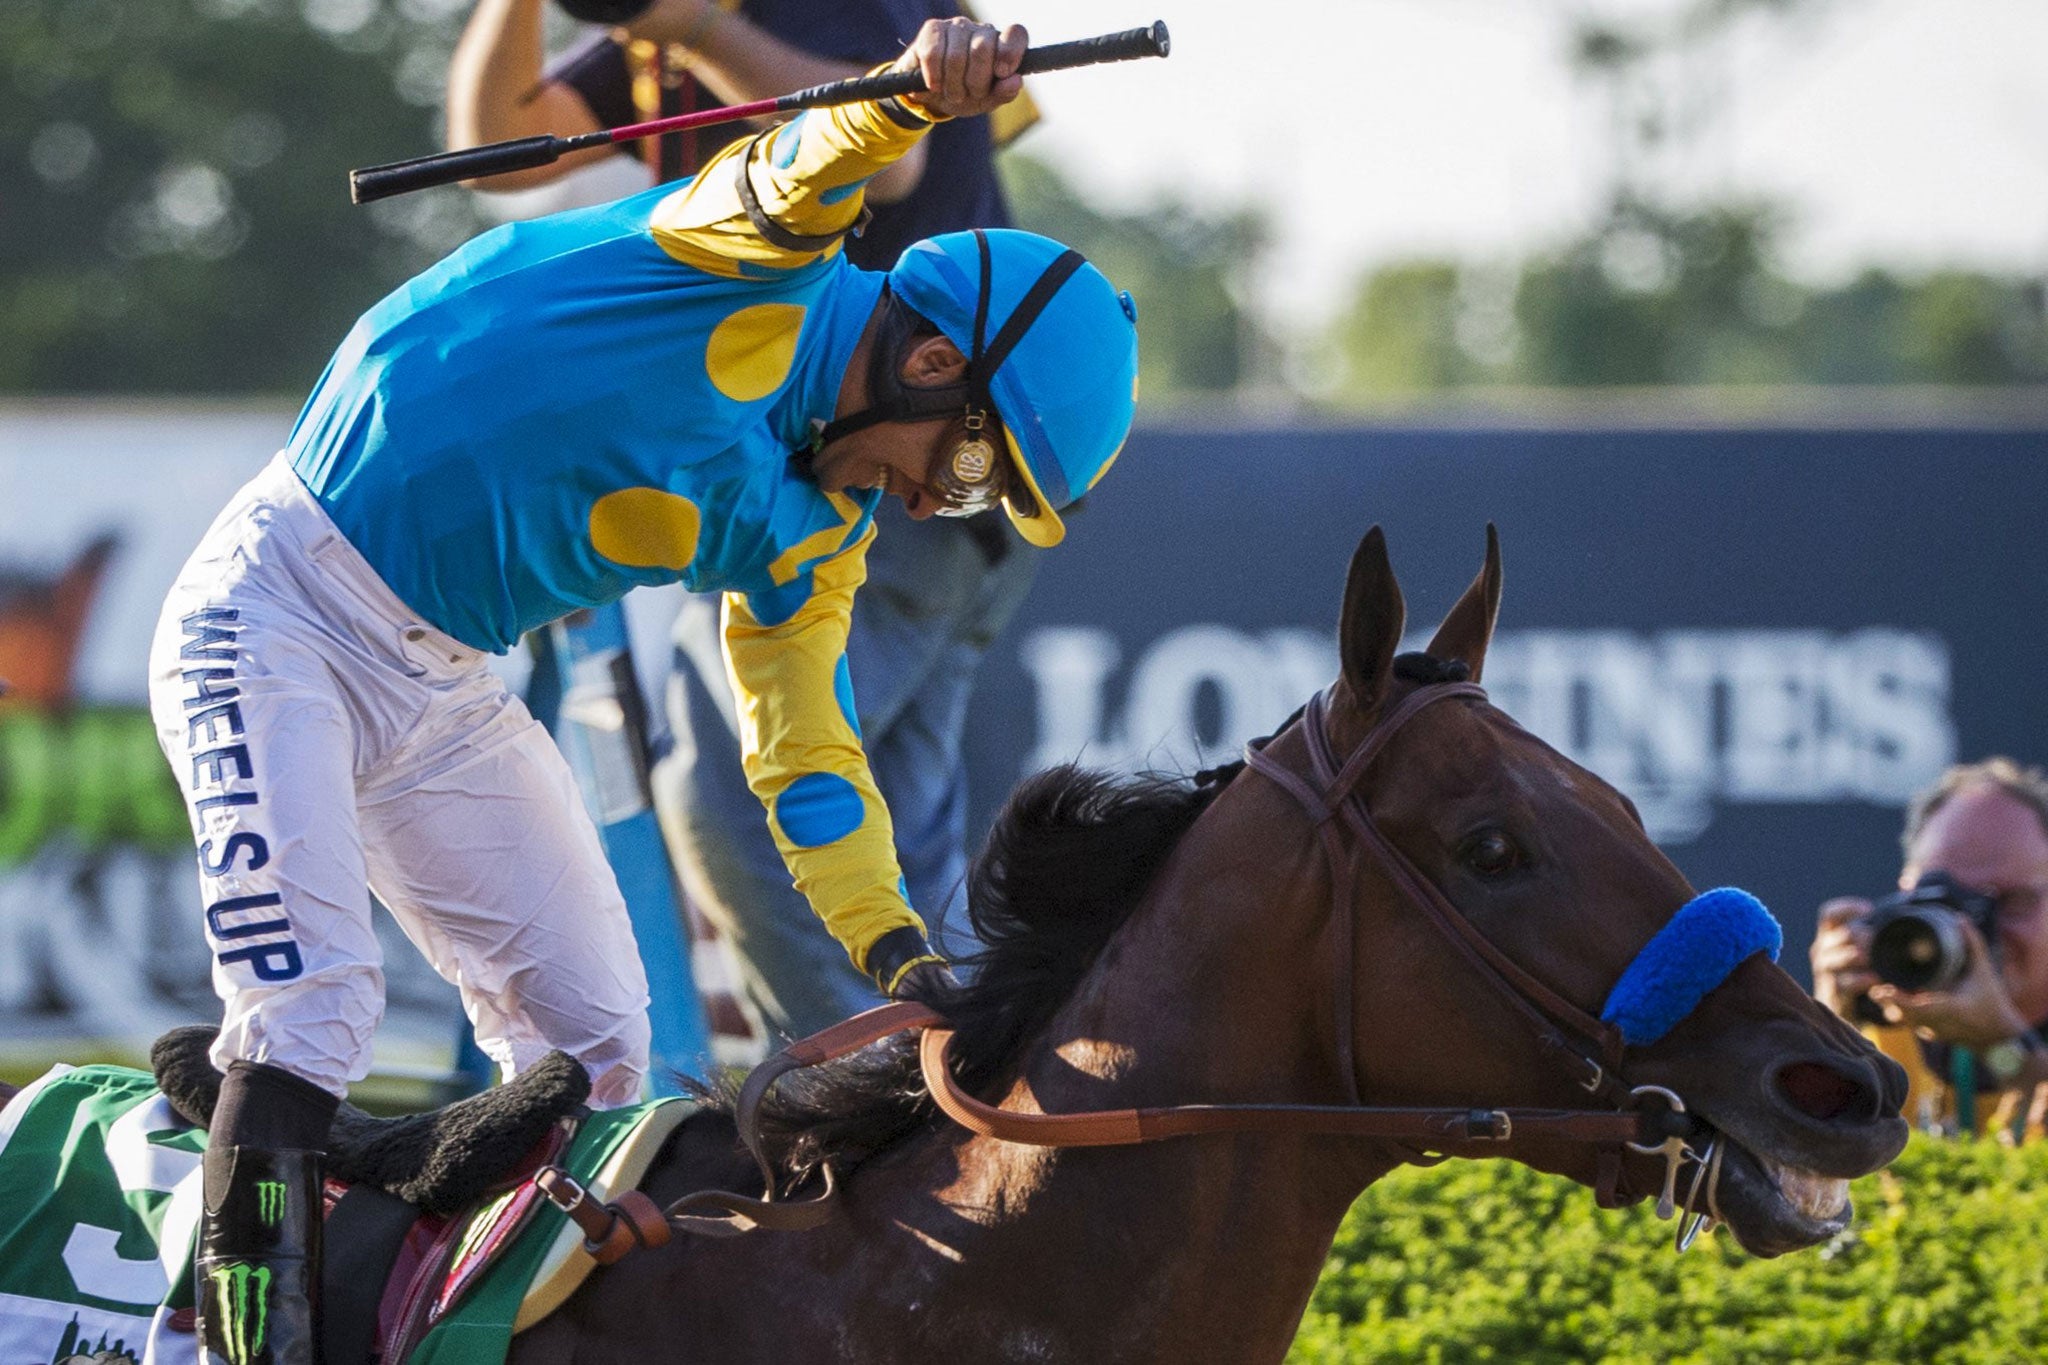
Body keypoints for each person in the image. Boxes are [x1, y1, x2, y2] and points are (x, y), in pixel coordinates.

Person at [147, 19, 1139, 1361]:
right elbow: (813, 152)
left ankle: (437, 1301)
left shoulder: (815, 532)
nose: (931, 503)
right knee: (315, 1005)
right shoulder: (759, 249)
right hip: (271, 617)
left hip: (442, 692)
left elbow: (806, 761)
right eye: (968, 469)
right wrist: (914, 96)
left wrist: (908, 959)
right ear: (926, 363)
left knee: (609, 1071)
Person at [447, 0, 1044, 1039]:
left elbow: (885, 168)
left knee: (735, 796)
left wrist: (696, 32)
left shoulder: (762, 16)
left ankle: (867, 1108)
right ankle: (979, 1112)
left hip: (897, 469)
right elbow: (493, 152)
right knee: (891, 854)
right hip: (936, 487)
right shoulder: (675, 23)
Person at [1810, 757, 2048, 1136]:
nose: (1973, 928)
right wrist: (1827, 1034)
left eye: (2011, 902)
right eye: (1947, 901)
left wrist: (2002, 1046)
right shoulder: (1877, 1028)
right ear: (1906, 892)